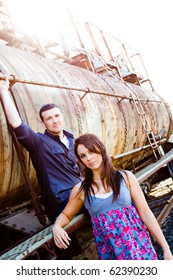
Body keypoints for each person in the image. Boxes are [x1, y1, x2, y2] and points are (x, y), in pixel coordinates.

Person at [53, 133, 173, 260]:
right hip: (111, 253)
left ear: (101, 149)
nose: (88, 158)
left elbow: (145, 213)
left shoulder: (126, 177)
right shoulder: (81, 190)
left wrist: (166, 249)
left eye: (91, 151)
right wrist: (57, 226)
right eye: (83, 156)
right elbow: (66, 215)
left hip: (138, 246)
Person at [0, 78, 81, 221]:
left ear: (62, 117)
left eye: (56, 116)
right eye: (49, 118)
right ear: (43, 123)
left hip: (81, 193)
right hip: (62, 202)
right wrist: (4, 91)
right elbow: (16, 124)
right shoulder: (39, 143)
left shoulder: (72, 141)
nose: (54, 121)